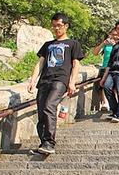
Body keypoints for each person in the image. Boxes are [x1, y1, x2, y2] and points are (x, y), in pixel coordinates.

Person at [27, 12, 85, 154]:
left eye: (59, 26)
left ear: (66, 26)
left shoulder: (73, 44)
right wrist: (33, 79)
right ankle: (43, 143)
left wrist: (72, 82)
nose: (56, 29)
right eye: (54, 26)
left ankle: (49, 143)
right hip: (44, 80)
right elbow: (40, 63)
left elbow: (76, 64)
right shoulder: (48, 45)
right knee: (41, 113)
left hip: (60, 79)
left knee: (49, 106)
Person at [93, 28, 118, 111]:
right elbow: (95, 53)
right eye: (112, 34)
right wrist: (103, 44)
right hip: (105, 66)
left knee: (113, 86)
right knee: (102, 85)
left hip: (115, 67)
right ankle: (105, 102)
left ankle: (114, 103)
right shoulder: (106, 44)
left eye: (115, 34)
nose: (114, 36)